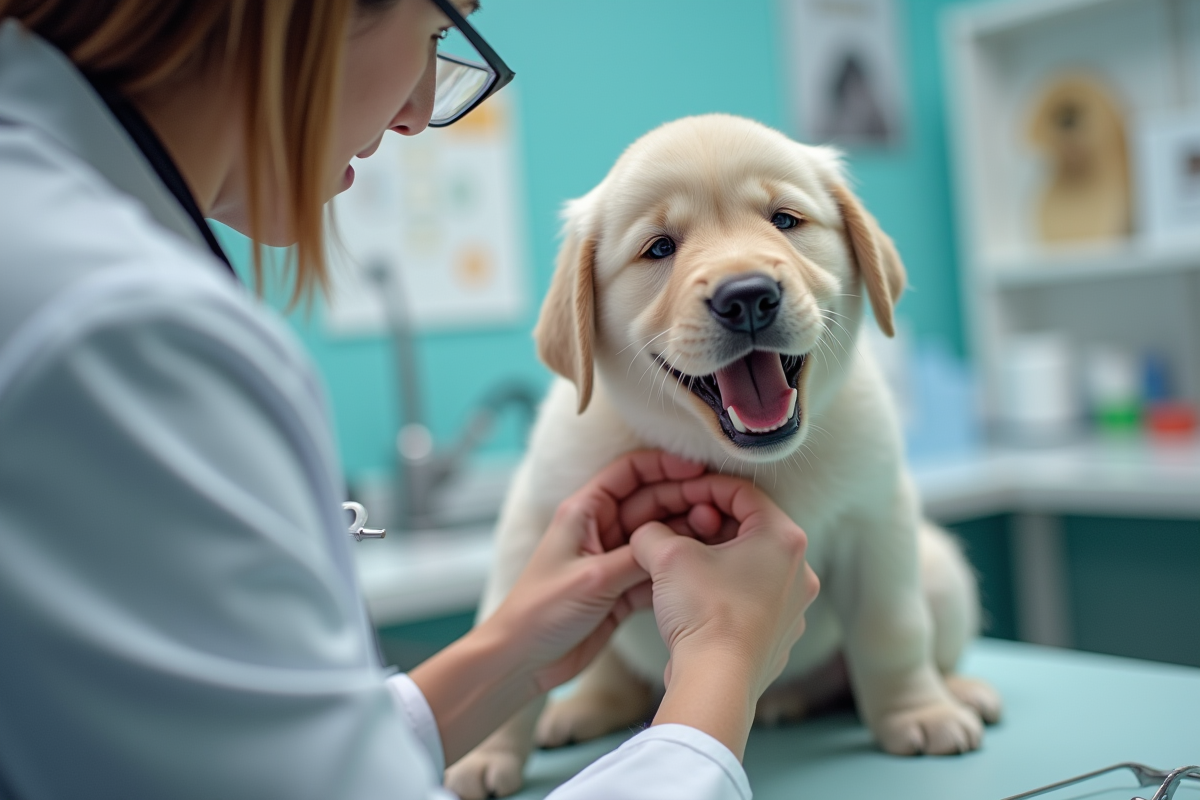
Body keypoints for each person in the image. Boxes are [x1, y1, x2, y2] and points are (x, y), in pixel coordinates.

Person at [0, 2, 821, 798]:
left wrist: (506, 651)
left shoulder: (48, 235)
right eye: (437, 30)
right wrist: (719, 671)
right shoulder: (118, 330)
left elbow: (227, 751)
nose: (423, 108)